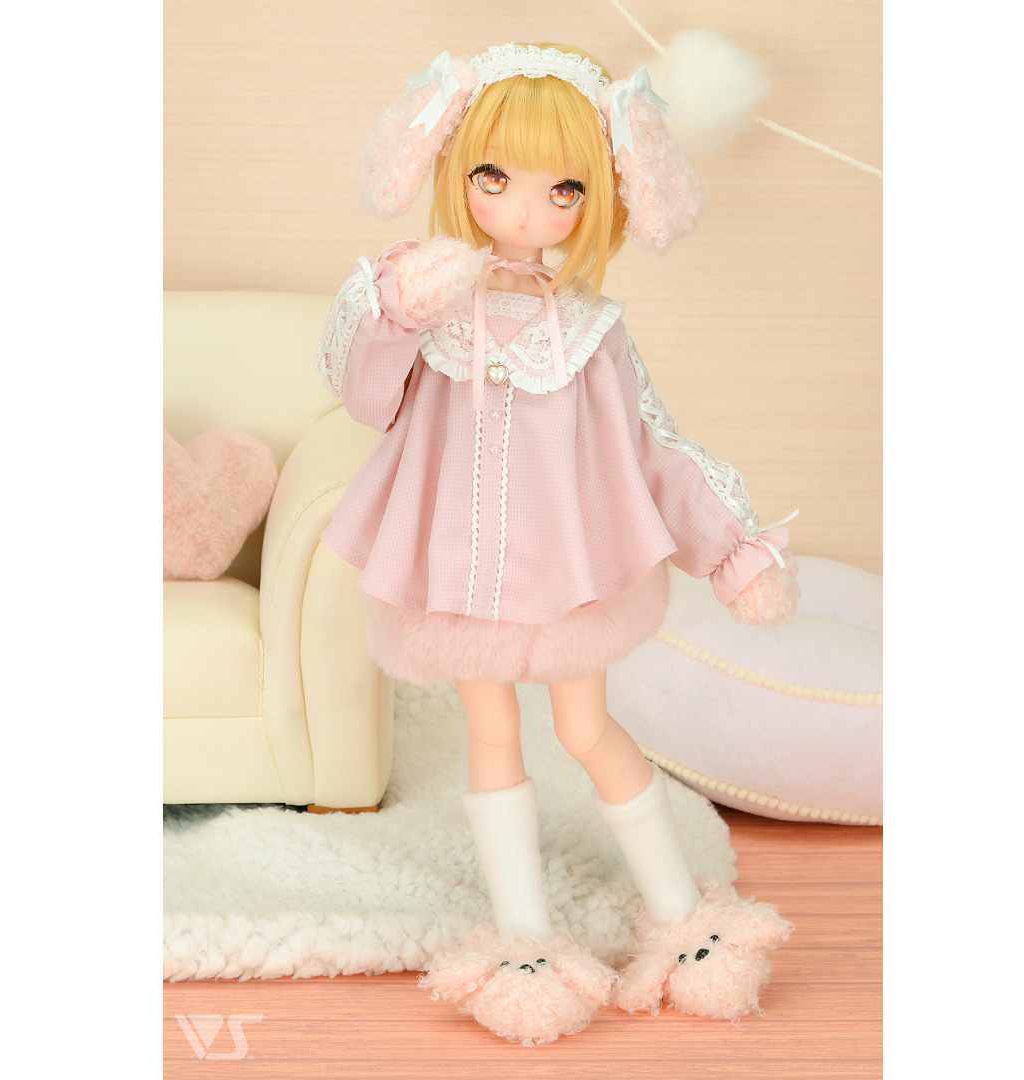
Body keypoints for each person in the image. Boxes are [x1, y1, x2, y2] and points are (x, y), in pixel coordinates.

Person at [316, 41, 799, 1045]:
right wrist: (398, 308)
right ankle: (525, 940)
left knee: (587, 729)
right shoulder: (426, 306)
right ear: (456, 171)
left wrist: (732, 547)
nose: (525, 209)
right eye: (494, 177)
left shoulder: (589, 329)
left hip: (570, 574)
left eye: (563, 189)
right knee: (491, 736)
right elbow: (362, 394)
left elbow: (655, 444)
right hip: (457, 574)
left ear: (599, 198)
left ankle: (683, 918)